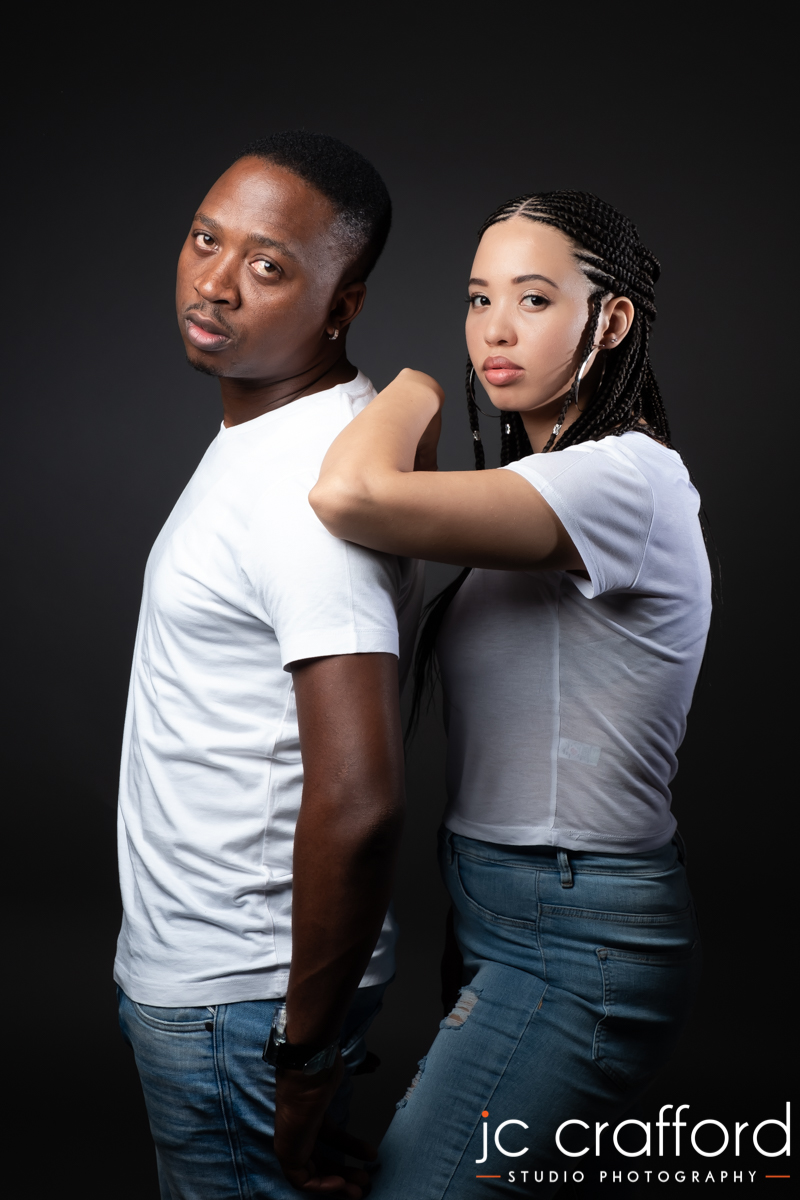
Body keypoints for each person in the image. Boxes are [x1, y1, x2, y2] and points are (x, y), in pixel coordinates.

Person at [310, 190, 711, 1197]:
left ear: (609, 321)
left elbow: (349, 494)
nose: (493, 328)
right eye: (477, 298)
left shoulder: (620, 482)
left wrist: (409, 386)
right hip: (508, 913)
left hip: (577, 936)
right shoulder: (556, 485)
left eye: (533, 299)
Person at [114, 131, 422, 1200]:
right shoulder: (277, 434)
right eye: (207, 239)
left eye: (268, 265)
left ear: (341, 306)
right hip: (223, 990)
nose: (214, 282)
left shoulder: (308, 488)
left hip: (242, 1003)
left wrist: (300, 1054)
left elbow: (360, 800)